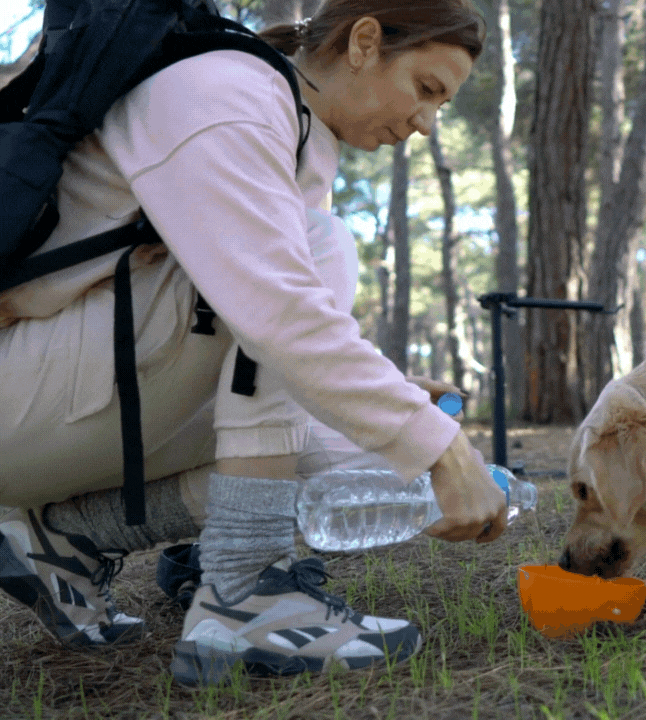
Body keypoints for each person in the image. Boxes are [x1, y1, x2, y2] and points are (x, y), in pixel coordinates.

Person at [0, 0, 508, 686]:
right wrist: (442, 444)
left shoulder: (297, 133)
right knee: (322, 248)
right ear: (364, 42)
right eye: (425, 89)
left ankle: (68, 532)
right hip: (20, 393)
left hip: (54, 400)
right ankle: (246, 590)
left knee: (376, 463)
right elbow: (275, 305)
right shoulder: (227, 94)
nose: (426, 123)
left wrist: (394, 395)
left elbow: (272, 320)